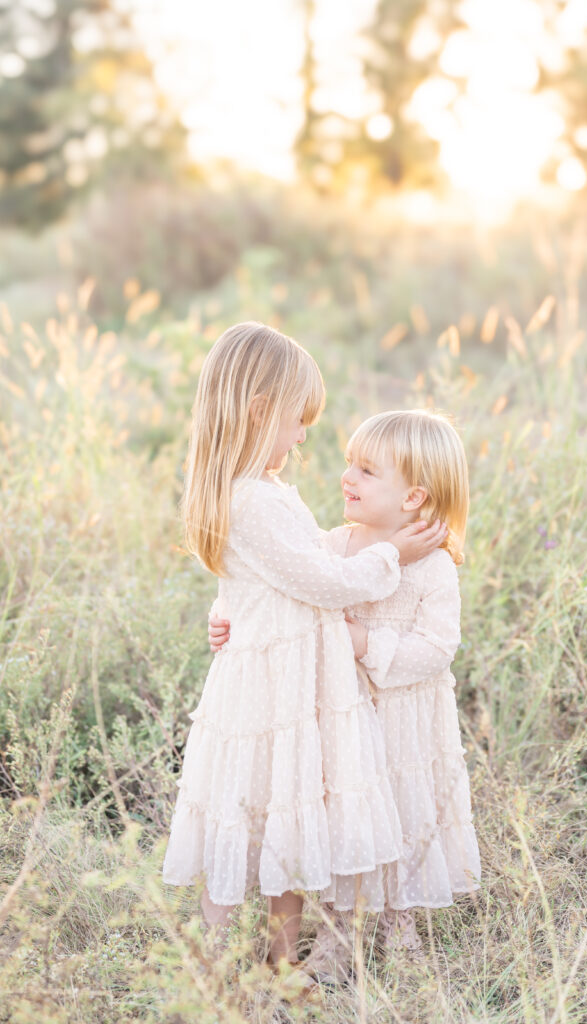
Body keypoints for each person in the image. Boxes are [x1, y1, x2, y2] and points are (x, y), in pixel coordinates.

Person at [162, 323, 448, 993]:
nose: (301, 437)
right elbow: (324, 581)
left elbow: (264, 578)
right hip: (272, 694)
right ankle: (222, 957)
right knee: (256, 816)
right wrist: (391, 555)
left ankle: (279, 962)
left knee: (281, 819)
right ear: (260, 408)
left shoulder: (262, 489)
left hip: (284, 687)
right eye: (298, 421)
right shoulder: (252, 498)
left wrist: (222, 611)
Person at [210, 408, 480, 981]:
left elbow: (436, 649)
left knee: (402, 823)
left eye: (365, 470)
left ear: (414, 498)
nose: (346, 478)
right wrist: (225, 609)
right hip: (336, 713)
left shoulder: (432, 567)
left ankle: (399, 929)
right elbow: (278, 579)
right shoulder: (333, 544)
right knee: (345, 823)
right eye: (349, 464)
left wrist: (365, 642)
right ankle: (338, 938)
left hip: (403, 719)